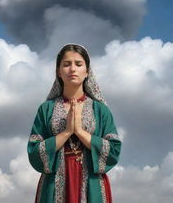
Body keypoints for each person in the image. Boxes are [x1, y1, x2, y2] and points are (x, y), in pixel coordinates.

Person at [27, 43, 122, 203]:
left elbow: (113, 151)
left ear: (87, 71)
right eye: (66, 64)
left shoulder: (101, 110)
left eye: (78, 64)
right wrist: (66, 133)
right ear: (58, 71)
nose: (72, 69)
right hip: (54, 182)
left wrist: (79, 131)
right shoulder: (46, 109)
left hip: (91, 183)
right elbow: (34, 152)